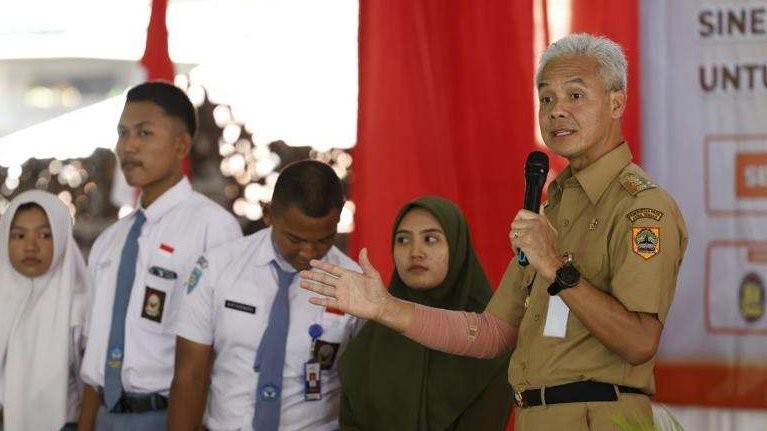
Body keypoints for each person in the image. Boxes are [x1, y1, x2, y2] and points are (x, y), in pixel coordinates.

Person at [300, 33, 689, 430]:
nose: (556, 111)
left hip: (600, 417)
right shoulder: (552, 207)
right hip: (534, 417)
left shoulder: (641, 207)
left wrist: (557, 268)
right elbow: (490, 334)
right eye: (547, 98)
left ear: (615, 101)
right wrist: (385, 307)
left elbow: (639, 342)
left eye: (575, 95)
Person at [77, 81, 242, 431]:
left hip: (169, 417)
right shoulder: (111, 240)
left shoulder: (213, 229)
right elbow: (96, 351)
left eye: (144, 133)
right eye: (123, 133)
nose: (128, 146)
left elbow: (222, 351)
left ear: (182, 144)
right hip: (104, 413)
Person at [168, 160, 362, 431]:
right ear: (269, 214)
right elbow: (190, 375)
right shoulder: (217, 268)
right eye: (294, 239)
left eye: (323, 240)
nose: (308, 253)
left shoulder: (355, 285)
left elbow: (366, 389)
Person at [338, 196, 513, 431]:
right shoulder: (374, 335)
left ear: (456, 245)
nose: (415, 252)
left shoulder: (491, 334)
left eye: (430, 239)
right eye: (403, 240)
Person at [0, 191, 90, 431]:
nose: (30, 246)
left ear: (61, 238)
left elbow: (91, 386)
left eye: (44, 235)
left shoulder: (79, 308)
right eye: (19, 235)